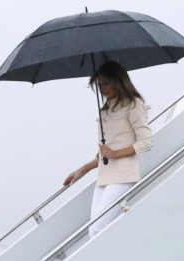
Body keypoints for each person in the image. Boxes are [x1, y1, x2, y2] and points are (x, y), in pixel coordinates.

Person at [63, 60, 153, 236]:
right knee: (93, 231)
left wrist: (115, 153)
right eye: (99, 84)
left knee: (98, 229)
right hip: (105, 176)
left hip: (124, 175)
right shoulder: (105, 110)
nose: (103, 88)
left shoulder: (133, 104)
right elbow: (103, 156)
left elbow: (146, 142)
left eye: (106, 83)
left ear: (118, 80)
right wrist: (81, 170)